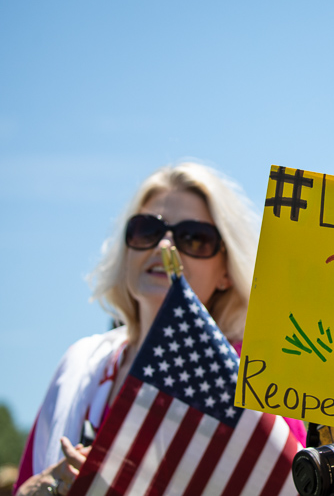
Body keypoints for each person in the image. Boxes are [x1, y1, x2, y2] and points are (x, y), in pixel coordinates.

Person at [14, 162, 305, 495]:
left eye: (194, 238)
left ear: (226, 270)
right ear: (127, 249)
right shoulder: (78, 366)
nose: (165, 246)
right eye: (146, 231)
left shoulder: (253, 377)